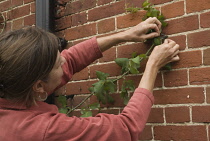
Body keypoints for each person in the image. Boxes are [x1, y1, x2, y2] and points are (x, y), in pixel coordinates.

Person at [0, 17, 179, 141]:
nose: (64, 59)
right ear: (38, 86)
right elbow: (125, 129)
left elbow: (71, 58)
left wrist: (125, 35)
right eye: (57, 64)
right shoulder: (42, 130)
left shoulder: (13, 89)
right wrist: (153, 65)